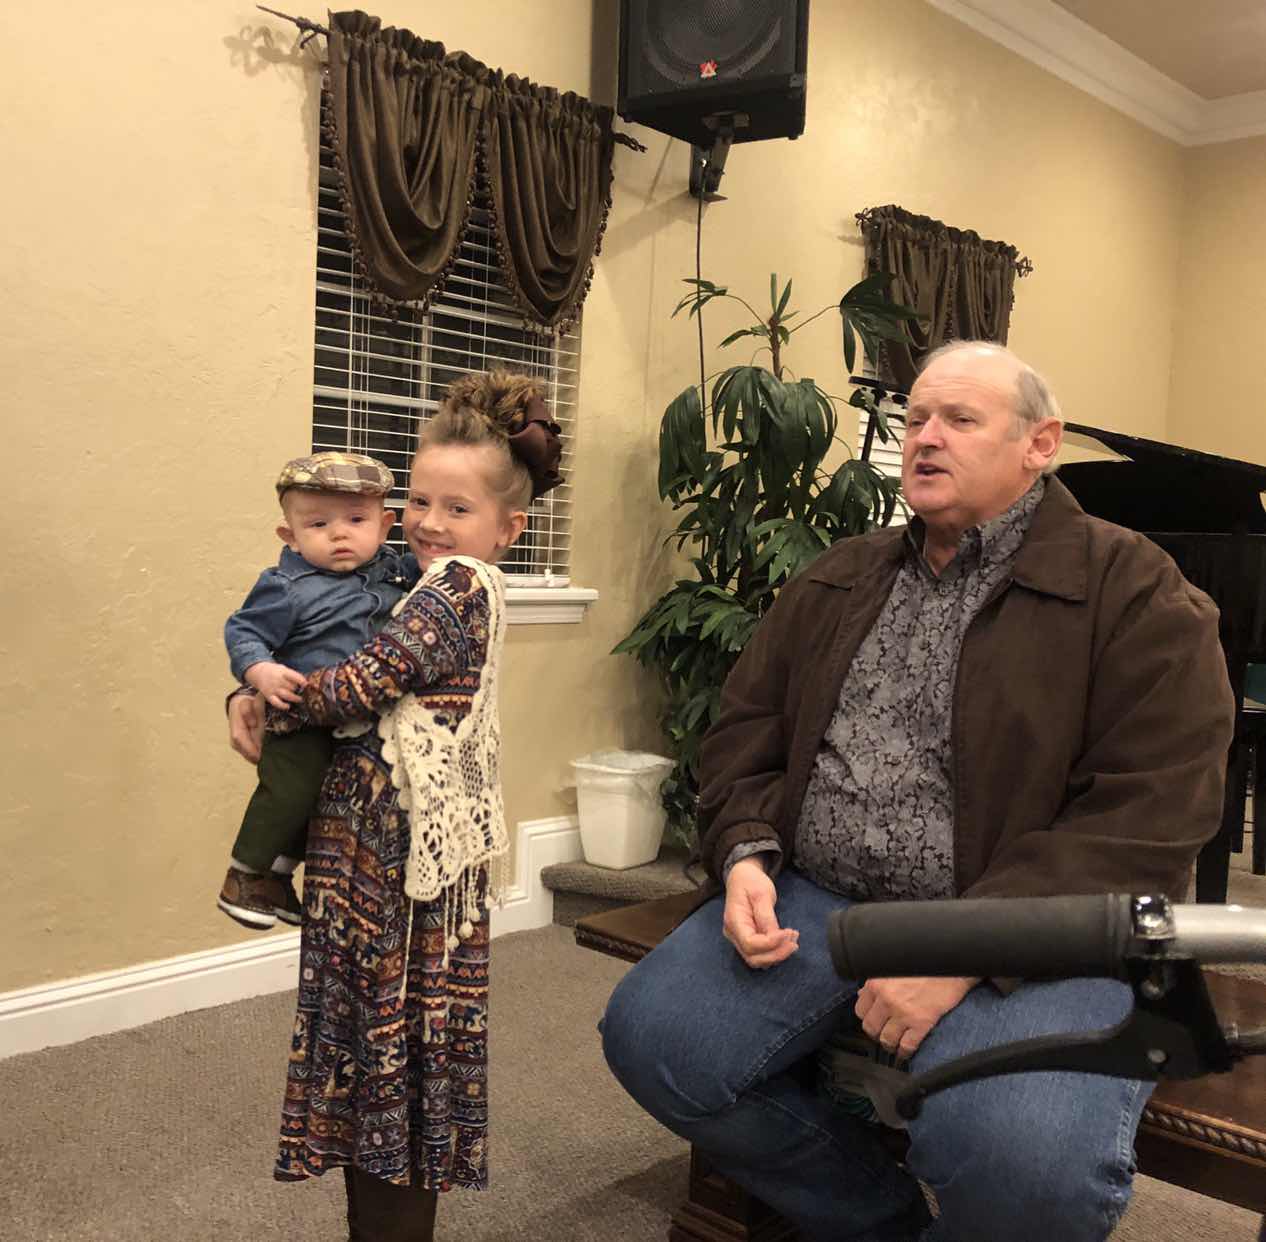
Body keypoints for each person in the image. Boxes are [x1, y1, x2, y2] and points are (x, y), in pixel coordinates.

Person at [600, 341, 1235, 1242]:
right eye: (918, 419)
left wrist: (969, 946)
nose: (925, 438)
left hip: (1042, 926)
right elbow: (746, 728)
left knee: (1024, 1165)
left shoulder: (1137, 594)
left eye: (960, 420)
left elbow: (1153, 812)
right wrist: (743, 851)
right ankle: (878, 1221)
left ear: (1040, 443)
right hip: (822, 898)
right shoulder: (839, 576)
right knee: (658, 1043)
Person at [227, 371, 563, 1242]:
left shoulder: (457, 591)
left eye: (458, 508)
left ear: (508, 529)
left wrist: (264, 694)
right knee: (370, 1071)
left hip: (399, 878)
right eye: (416, 501)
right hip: (363, 860)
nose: (428, 522)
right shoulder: (403, 578)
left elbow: (354, 684)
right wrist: (250, 682)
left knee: (395, 1074)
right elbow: (312, 629)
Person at [218, 451, 409, 929]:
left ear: (385, 526)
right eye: (319, 524)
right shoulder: (287, 586)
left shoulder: (396, 571)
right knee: (290, 792)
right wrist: (259, 672)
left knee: (321, 803)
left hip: (357, 723)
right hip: (299, 716)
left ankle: (278, 878)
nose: (339, 534)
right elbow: (244, 631)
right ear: (290, 536)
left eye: (356, 520)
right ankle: (244, 875)